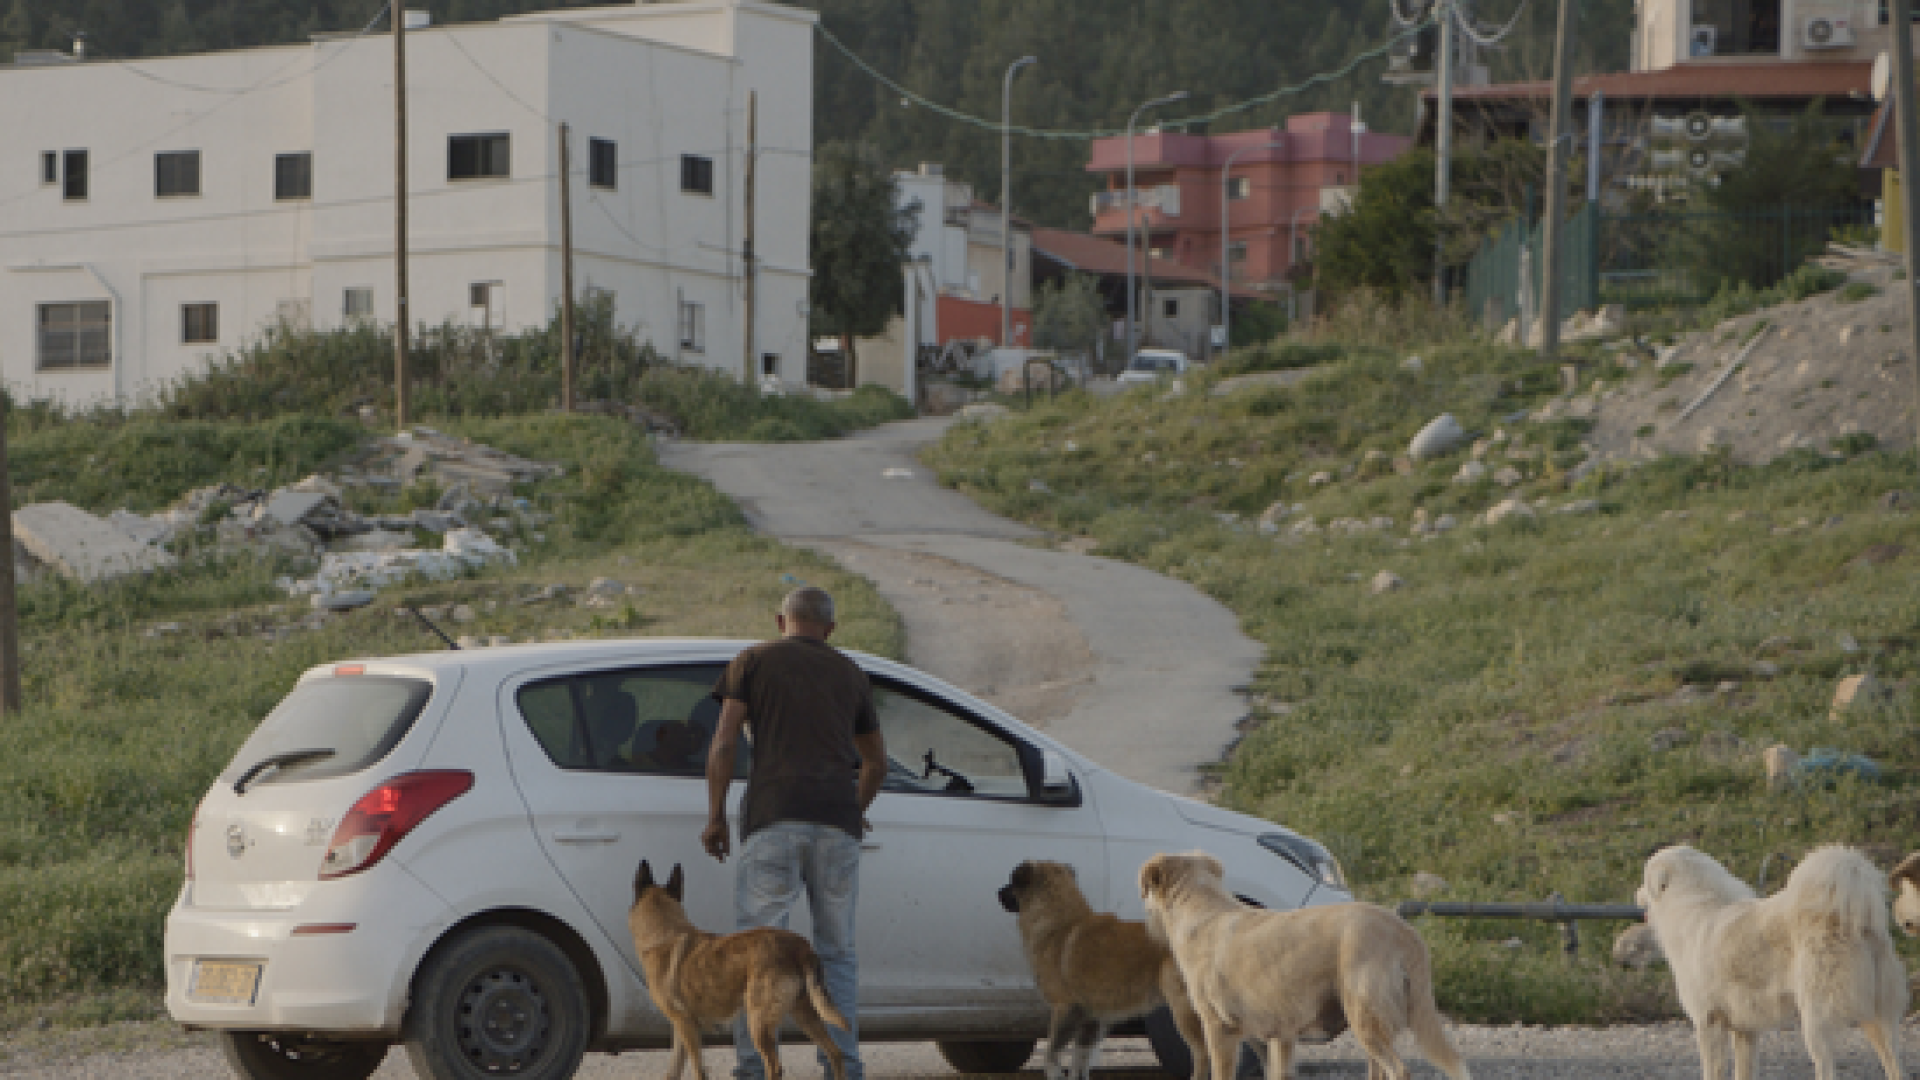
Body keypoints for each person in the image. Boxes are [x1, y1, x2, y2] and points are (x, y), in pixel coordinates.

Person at [704, 586, 887, 1080]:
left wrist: (716, 815)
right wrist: (854, 808)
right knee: (837, 951)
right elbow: (875, 762)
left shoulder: (753, 661)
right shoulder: (851, 673)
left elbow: (723, 743)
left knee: (756, 955)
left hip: (773, 817)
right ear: (829, 629)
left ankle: (753, 1069)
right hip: (836, 826)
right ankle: (844, 1068)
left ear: (781, 621)